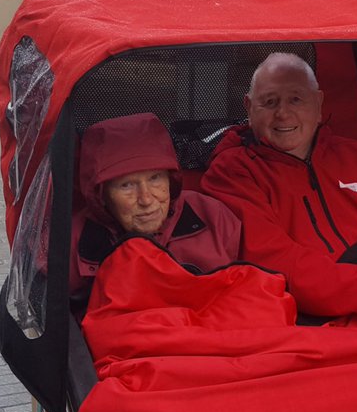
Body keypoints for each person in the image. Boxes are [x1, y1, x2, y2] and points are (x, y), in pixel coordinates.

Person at [201, 52, 357, 328]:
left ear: (319, 104)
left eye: (296, 99)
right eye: (269, 101)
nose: (283, 113)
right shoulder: (231, 173)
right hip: (301, 322)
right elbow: (273, 260)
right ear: (249, 108)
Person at [70, 112, 241, 301]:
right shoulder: (74, 241)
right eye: (126, 185)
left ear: (170, 179)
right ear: (101, 194)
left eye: (155, 178)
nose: (146, 199)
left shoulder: (212, 215)